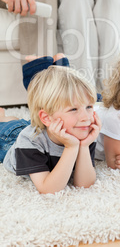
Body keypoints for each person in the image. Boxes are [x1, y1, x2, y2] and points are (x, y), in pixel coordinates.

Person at [0, 54, 101, 194]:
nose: (86, 117)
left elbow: (84, 184)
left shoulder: (82, 131)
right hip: (10, 138)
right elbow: (48, 188)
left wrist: (83, 146)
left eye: (89, 107)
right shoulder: (29, 141)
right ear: (47, 118)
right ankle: (3, 117)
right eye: (73, 109)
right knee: (10, 125)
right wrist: (71, 148)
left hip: (45, 127)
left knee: (25, 123)